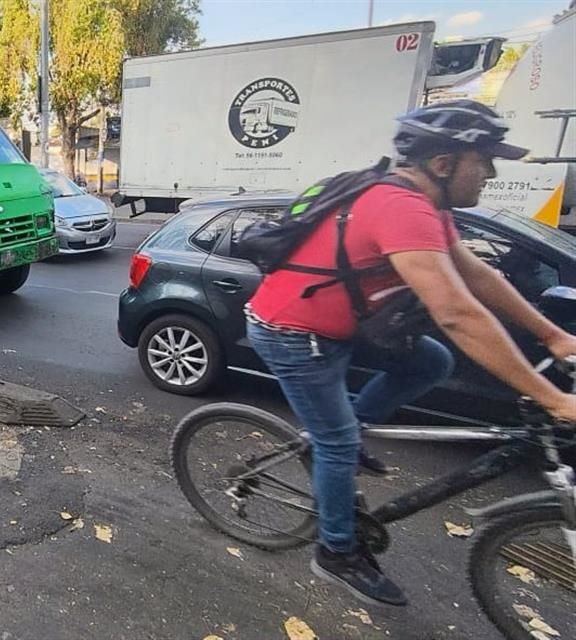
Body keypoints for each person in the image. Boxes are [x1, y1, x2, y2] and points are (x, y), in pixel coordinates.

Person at [245, 100, 576, 607]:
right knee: (335, 442)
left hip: (339, 325)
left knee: (432, 361)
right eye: (484, 159)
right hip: (291, 332)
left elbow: (480, 278)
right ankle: (336, 550)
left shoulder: (426, 208)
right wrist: (551, 397)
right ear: (444, 164)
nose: (490, 172)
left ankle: (345, 434)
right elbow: (456, 314)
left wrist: (553, 336)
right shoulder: (399, 207)